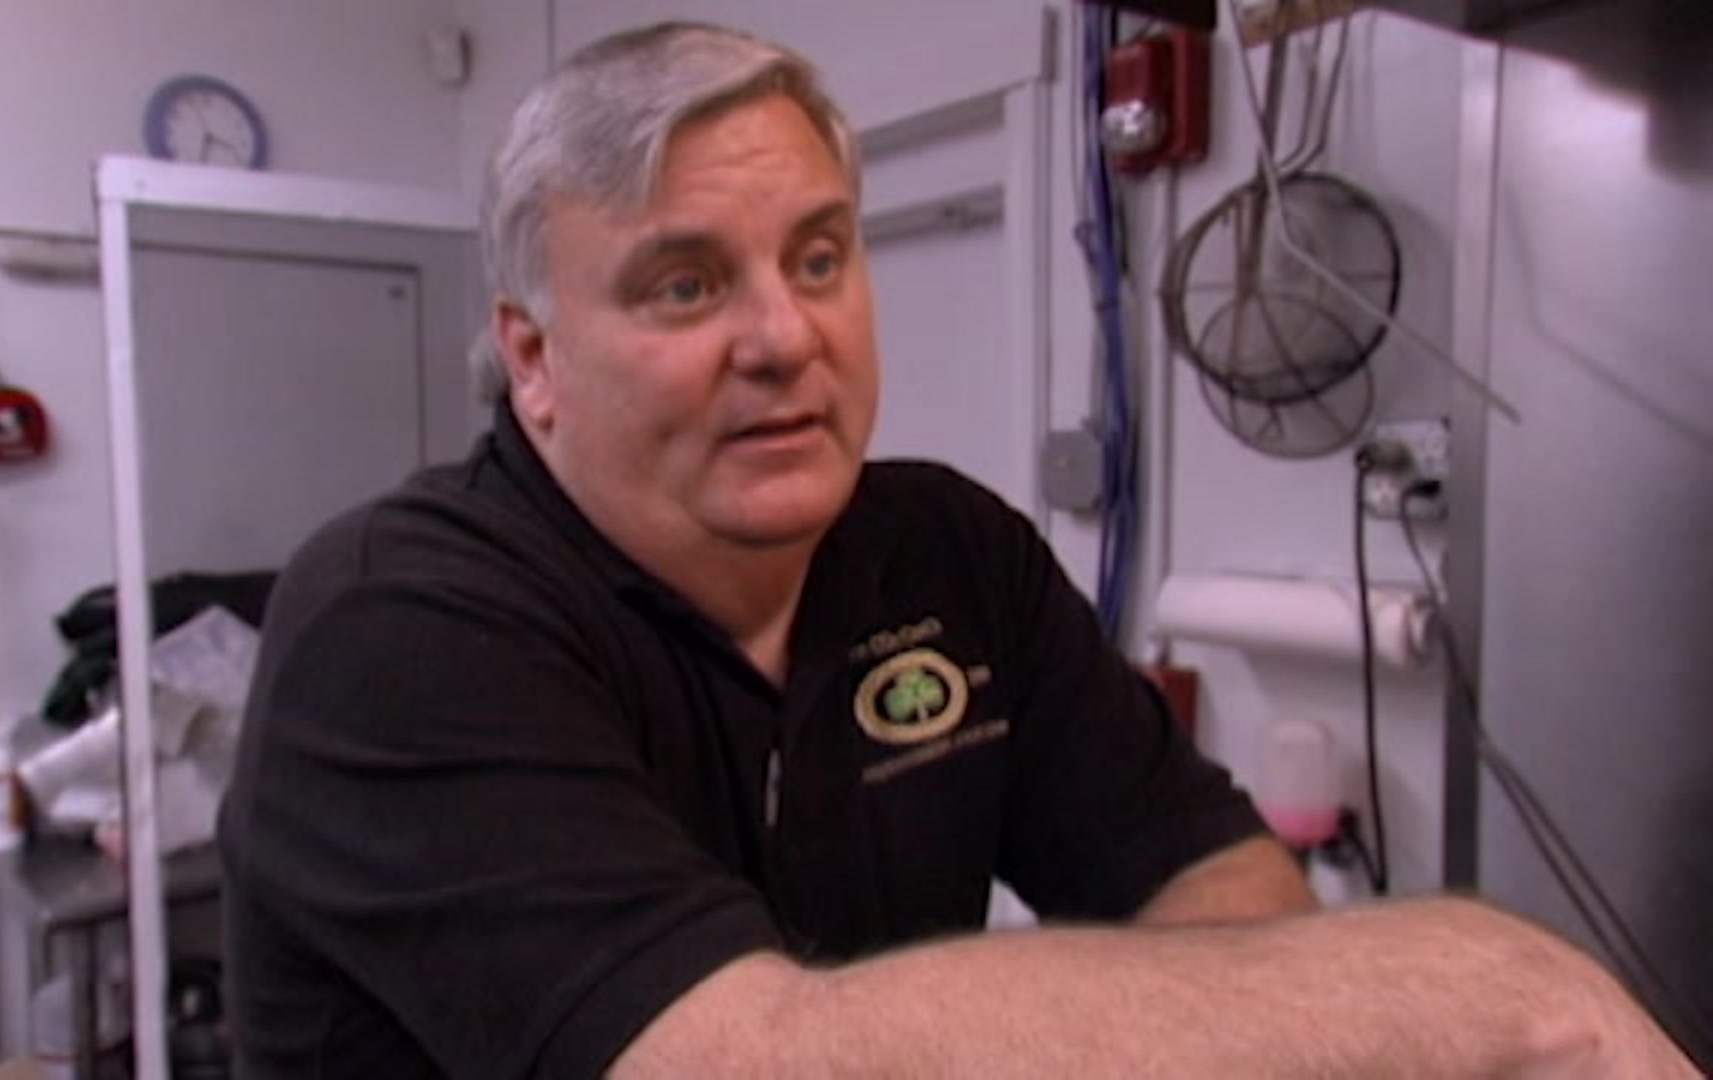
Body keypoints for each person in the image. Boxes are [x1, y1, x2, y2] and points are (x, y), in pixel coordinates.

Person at [218, 21, 1695, 1078]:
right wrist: (1470, 983)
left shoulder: (946, 557)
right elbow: (741, 1061)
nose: (784, 336)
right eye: (684, 285)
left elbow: (1218, 887)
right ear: (534, 359)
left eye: (818, 257)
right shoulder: (399, 626)